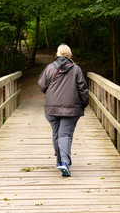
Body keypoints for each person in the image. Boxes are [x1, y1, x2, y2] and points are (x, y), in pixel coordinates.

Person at [38, 44, 89, 177]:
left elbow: (42, 85)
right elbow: (83, 89)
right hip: (71, 108)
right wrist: (84, 104)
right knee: (65, 135)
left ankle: (60, 161)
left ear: (58, 54)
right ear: (69, 55)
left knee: (57, 134)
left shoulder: (50, 68)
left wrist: (51, 94)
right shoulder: (76, 69)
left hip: (52, 108)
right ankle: (65, 163)